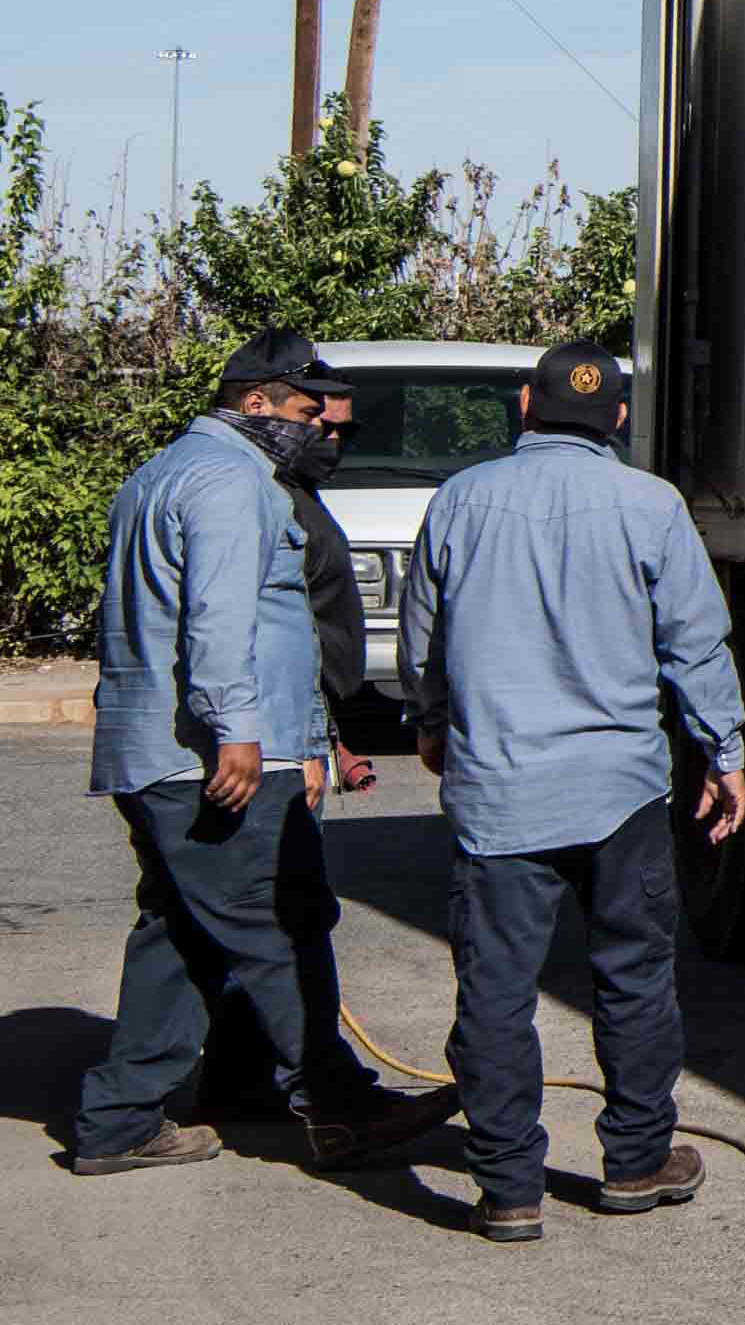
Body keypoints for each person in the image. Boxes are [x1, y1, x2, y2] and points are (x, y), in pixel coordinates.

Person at [62, 337, 453, 1175]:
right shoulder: (232, 483)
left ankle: (139, 1113)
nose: (319, 429)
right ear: (257, 404)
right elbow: (220, 617)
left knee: (184, 929)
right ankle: (337, 1104)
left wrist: (315, 738)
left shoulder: (162, 471)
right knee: (278, 923)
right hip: (213, 753)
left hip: (163, 751)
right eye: (309, 412)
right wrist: (235, 729)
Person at [403, 341, 745, 1246]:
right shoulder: (652, 504)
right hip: (620, 790)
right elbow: (695, 642)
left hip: (500, 792)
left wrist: (432, 721)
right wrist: (725, 749)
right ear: (620, 418)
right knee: (633, 976)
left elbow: (421, 636)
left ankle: (509, 1187)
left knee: (496, 989)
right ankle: (637, 1161)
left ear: (526, 402)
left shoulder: (461, 500)